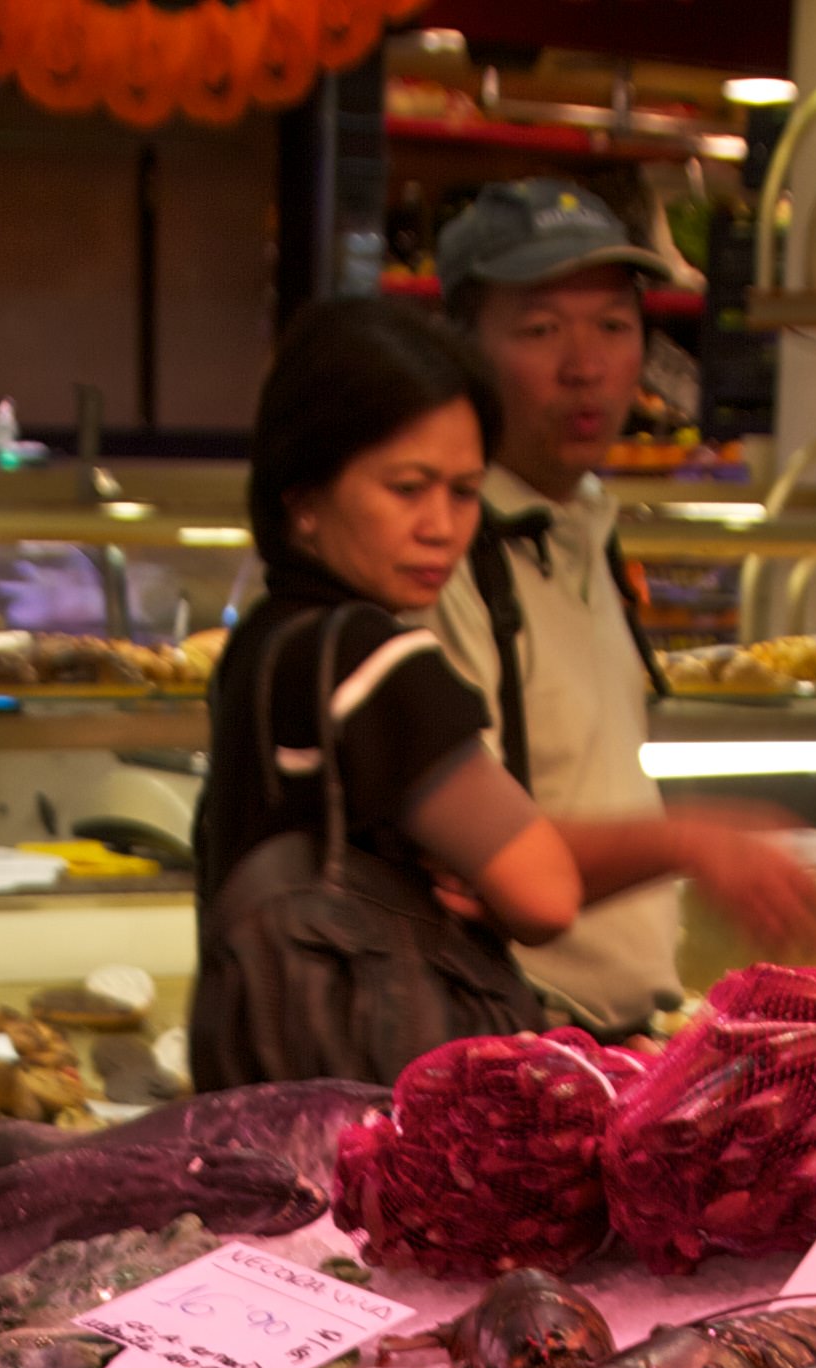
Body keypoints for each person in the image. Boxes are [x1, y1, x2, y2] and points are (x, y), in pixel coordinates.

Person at [424, 178, 816, 1026]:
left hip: (615, 1038)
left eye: (613, 326)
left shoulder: (584, 525)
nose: (586, 366)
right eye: (541, 330)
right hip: (517, 1045)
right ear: (461, 348)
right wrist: (692, 840)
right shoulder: (439, 558)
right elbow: (471, 856)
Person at [190, 297, 583, 1087]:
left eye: (465, 492)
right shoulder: (376, 661)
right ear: (304, 497)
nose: (441, 526)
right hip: (375, 1116)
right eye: (407, 488)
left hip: (262, 1107)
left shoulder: (264, 645)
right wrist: (692, 842)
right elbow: (545, 894)